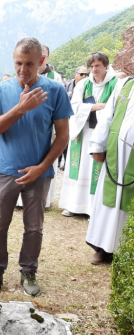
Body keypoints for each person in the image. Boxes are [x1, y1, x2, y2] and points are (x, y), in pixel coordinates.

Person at [0, 37, 73, 296]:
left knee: (34, 227)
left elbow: (63, 136)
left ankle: (28, 271)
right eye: (18, 63)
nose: (23, 69)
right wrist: (20, 109)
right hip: (5, 171)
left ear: (42, 62)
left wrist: (42, 167)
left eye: (29, 64)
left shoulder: (54, 90)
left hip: (39, 174)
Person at [59, 51, 118, 217]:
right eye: (91, 66)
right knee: (79, 167)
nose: (94, 69)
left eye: (97, 66)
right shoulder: (83, 84)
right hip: (82, 131)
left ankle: (94, 208)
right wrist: (95, 107)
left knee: (95, 167)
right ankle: (73, 204)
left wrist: (101, 108)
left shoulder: (115, 84)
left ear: (106, 65)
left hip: (101, 133)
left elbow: (115, 107)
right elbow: (74, 106)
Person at [86, 76, 134, 264]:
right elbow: (108, 115)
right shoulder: (125, 84)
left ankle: (126, 251)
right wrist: (98, 145)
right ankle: (104, 248)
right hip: (117, 154)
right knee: (109, 202)